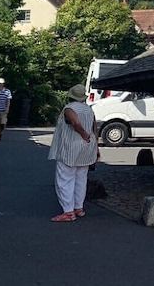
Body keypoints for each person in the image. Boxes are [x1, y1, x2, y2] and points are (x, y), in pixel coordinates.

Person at [47, 84, 99, 222]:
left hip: (71, 147)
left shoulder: (69, 108)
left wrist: (83, 134)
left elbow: (75, 122)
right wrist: (96, 147)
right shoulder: (89, 110)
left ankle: (68, 211)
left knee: (65, 178)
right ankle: (78, 207)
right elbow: (95, 128)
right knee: (81, 178)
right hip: (87, 148)